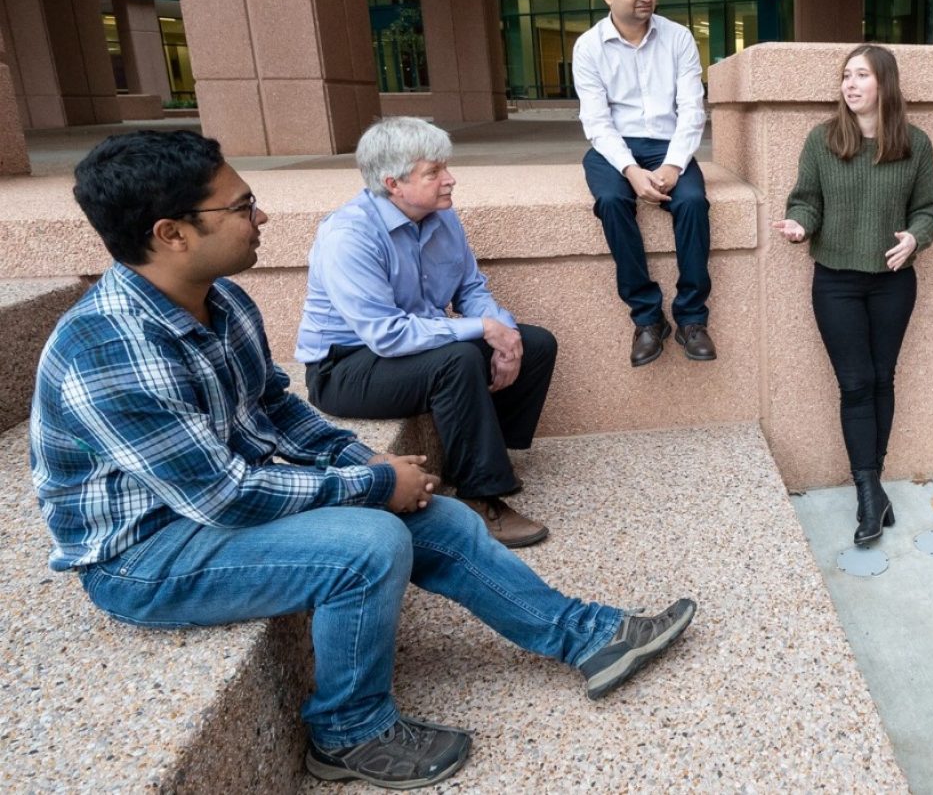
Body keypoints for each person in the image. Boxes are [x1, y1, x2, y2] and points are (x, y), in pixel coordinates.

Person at [29, 130, 697, 791]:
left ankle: (587, 636)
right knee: (369, 541)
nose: (261, 217)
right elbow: (225, 498)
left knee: (441, 517)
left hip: (214, 504)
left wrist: (361, 460)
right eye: (242, 207)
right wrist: (376, 482)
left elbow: (274, 410)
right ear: (171, 233)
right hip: (145, 557)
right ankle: (348, 733)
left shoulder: (222, 300)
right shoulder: (110, 348)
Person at [295, 117, 554, 548]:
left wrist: (503, 332)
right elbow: (387, 335)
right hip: (344, 367)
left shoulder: (441, 219)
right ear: (393, 183)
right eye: (434, 173)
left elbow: (471, 290)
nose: (450, 180)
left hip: (410, 346)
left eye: (445, 168)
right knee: (459, 359)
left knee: (535, 342)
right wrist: (482, 329)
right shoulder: (349, 235)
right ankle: (480, 497)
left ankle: (483, 459)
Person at [772, 45, 933, 546]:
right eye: (845, 75)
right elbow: (806, 200)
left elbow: (929, 209)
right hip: (836, 282)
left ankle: (872, 483)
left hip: (893, 280)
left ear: (883, 84)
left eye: (861, 75)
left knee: (882, 377)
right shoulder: (822, 141)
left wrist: (916, 237)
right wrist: (800, 227)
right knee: (855, 382)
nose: (850, 84)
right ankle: (869, 490)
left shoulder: (915, 144)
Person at [572, 0, 715, 367]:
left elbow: (692, 109)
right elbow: (597, 123)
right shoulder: (589, 47)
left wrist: (673, 164)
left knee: (691, 202)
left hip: (668, 144)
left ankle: (691, 318)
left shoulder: (678, 38)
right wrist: (631, 171)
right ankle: (648, 319)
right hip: (615, 146)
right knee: (614, 201)